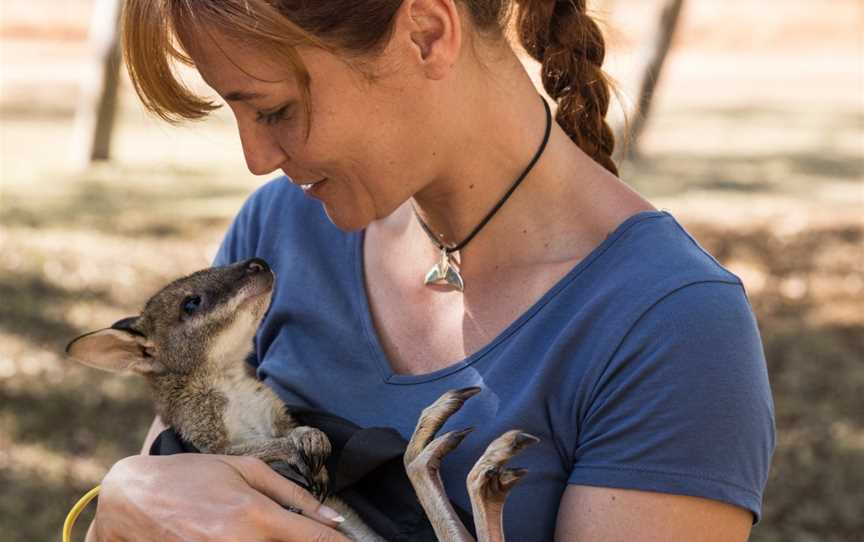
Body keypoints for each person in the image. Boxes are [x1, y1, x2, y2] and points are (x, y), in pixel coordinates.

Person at [86, 0, 775, 540]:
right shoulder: (279, 232)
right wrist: (125, 492)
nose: (258, 158)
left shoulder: (670, 325)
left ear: (425, 33)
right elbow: (156, 507)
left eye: (275, 110)